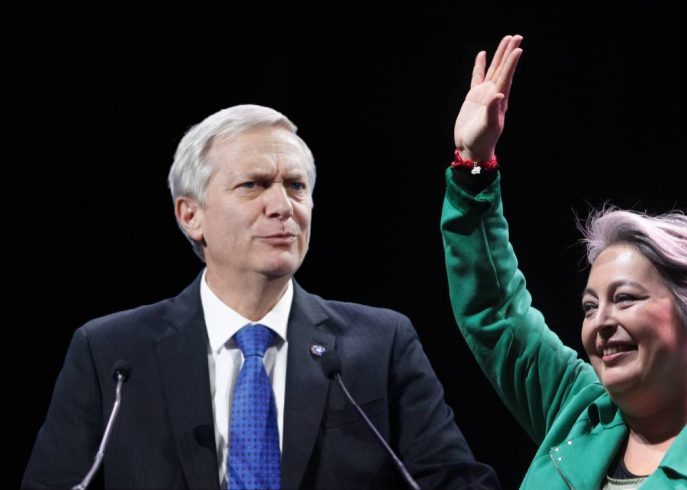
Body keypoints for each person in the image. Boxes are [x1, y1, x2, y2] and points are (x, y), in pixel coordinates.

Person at [23, 104, 501, 490]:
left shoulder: (381, 344)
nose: (282, 206)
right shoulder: (110, 355)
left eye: (295, 186)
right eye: (252, 185)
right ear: (191, 215)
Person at [441, 35, 687, 488]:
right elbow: (497, 312)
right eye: (590, 307)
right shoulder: (576, 412)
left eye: (625, 298)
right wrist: (474, 163)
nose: (601, 323)